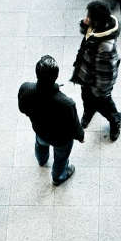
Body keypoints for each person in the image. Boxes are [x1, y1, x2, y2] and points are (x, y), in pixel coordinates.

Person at [18, 55, 85, 186]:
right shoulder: (66, 104)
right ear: (56, 76)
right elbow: (74, 125)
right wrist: (81, 136)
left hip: (40, 131)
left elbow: (22, 108)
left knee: (40, 145)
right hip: (61, 140)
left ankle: (42, 160)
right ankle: (58, 176)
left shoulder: (26, 89)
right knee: (61, 158)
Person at [70, 1, 121, 142]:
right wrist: (85, 24)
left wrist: (100, 92)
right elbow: (87, 33)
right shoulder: (97, 28)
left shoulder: (106, 47)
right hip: (87, 76)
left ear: (97, 21)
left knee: (104, 105)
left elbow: (107, 74)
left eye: (89, 17)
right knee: (86, 98)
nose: (86, 19)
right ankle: (89, 111)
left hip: (98, 85)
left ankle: (115, 120)